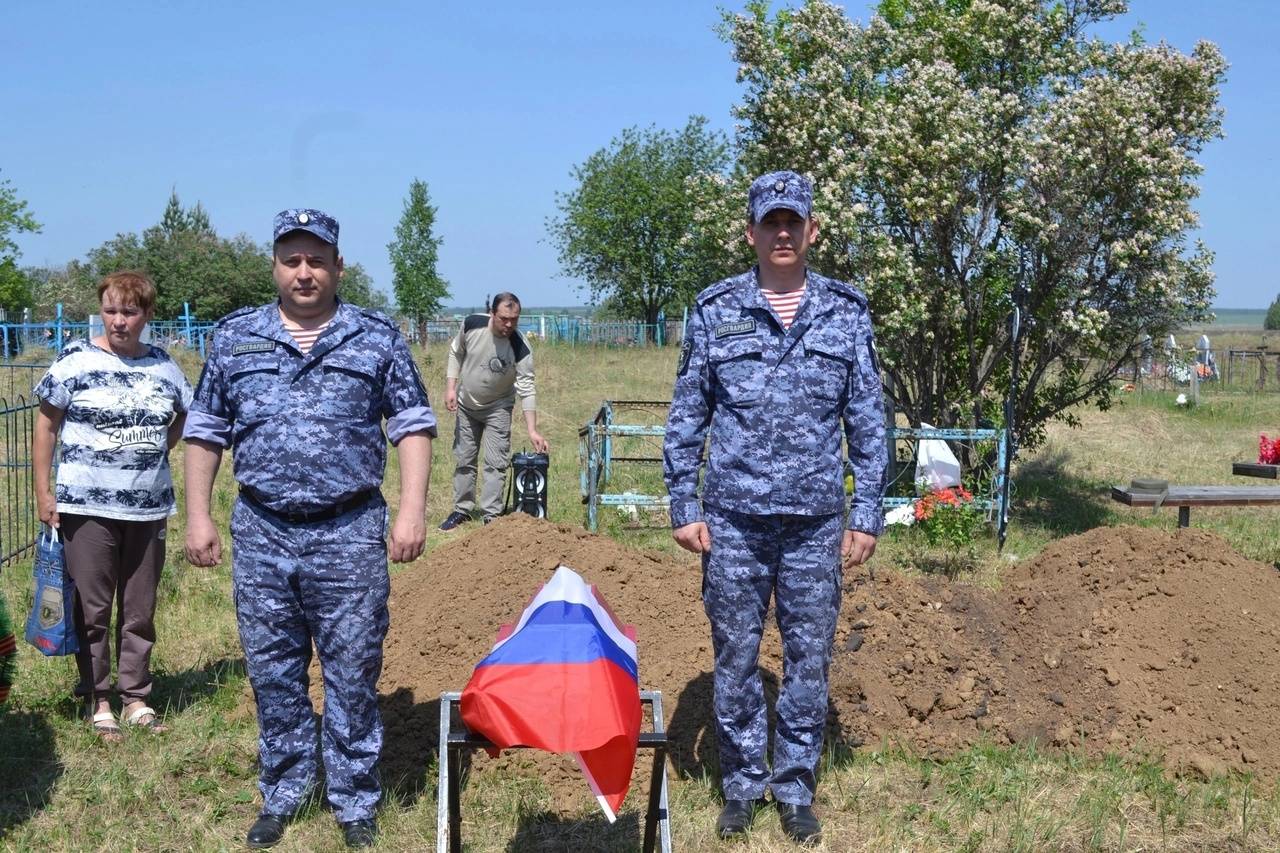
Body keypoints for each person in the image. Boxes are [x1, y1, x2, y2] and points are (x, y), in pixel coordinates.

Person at [182, 209, 436, 849]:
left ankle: (354, 800)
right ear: (274, 266)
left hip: (348, 531)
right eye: (291, 260)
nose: (304, 272)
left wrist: (412, 510)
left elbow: (412, 425)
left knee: (353, 669)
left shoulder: (375, 337)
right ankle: (285, 790)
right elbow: (206, 431)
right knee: (273, 671)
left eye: (316, 261)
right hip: (262, 530)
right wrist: (198, 514)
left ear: (338, 267)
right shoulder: (235, 338)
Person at [662, 171, 887, 845]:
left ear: (812, 230)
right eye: (771, 222)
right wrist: (683, 502)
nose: (782, 233)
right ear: (751, 233)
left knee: (808, 658)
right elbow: (688, 412)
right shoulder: (716, 309)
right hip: (733, 519)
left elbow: (868, 419)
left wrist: (866, 511)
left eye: (793, 221)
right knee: (734, 656)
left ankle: (793, 787)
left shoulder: (845, 312)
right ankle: (740, 785)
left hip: (815, 521)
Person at [32, 271, 193, 740]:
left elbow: (188, 412)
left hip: (147, 508)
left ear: (147, 314)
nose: (119, 321)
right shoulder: (75, 361)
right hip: (87, 507)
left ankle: (136, 696)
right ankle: (97, 697)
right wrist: (44, 493)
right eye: (110, 310)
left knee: (140, 609)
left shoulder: (164, 365)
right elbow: (46, 427)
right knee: (93, 608)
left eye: (130, 311)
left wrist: (159, 449)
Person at [438, 292, 549, 530]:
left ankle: (491, 516)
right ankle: (461, 510)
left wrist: (532, 430)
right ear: (492, 314)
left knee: (496, 462)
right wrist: (450, 388)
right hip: (466, 405)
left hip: (498, 407)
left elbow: (527, 388)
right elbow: (456, 352)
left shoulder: (520, 347)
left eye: (514, 320)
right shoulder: (472, 325)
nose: (509, 324)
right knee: (465, 458)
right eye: (504, 318)